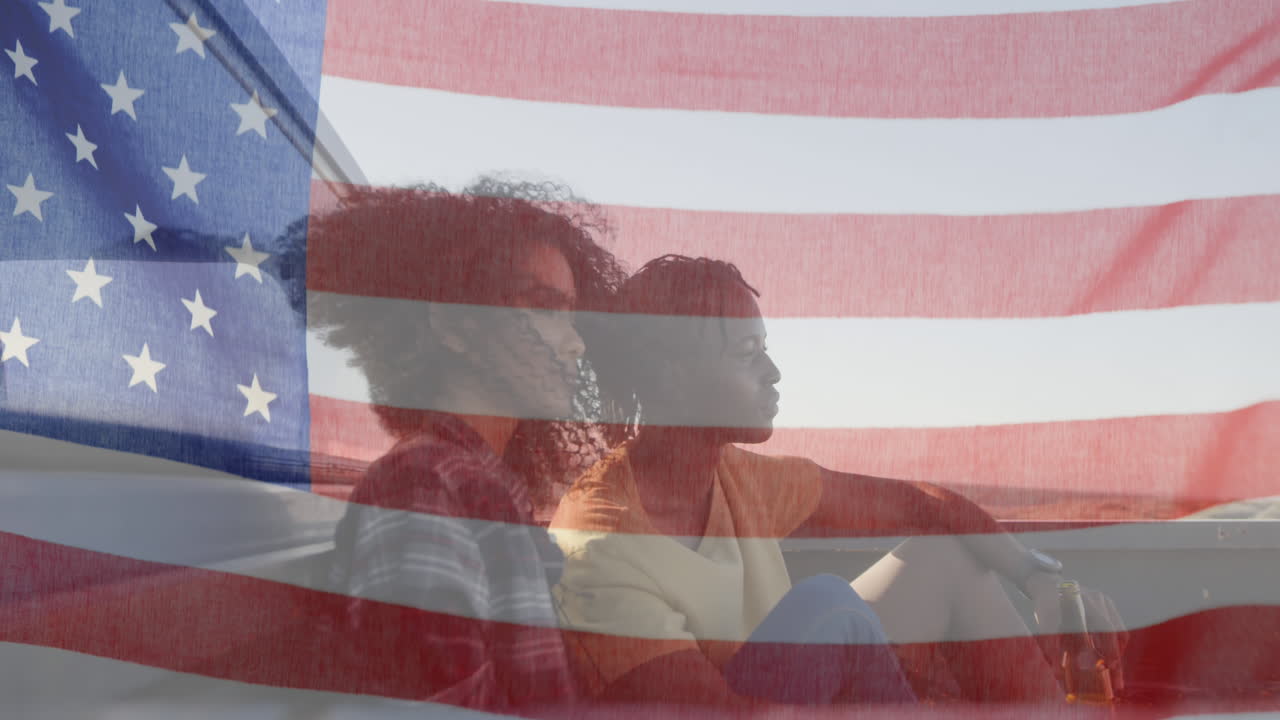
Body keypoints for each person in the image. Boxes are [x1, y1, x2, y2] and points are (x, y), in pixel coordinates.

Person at [550, 255, 1127, 707]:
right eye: (748, 353)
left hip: (775, 688)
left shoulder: (735, 475)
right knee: (828, 605)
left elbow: (921, 504)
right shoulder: (603, 539)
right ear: (671, 375)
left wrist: (1040, 580)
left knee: (945, 561)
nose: (773, 373)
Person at [312, 179, 626, 712]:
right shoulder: (423, 485)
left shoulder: (490, 487)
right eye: (544, 307)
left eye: (572, 314)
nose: (575, 342)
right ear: (454, 324)